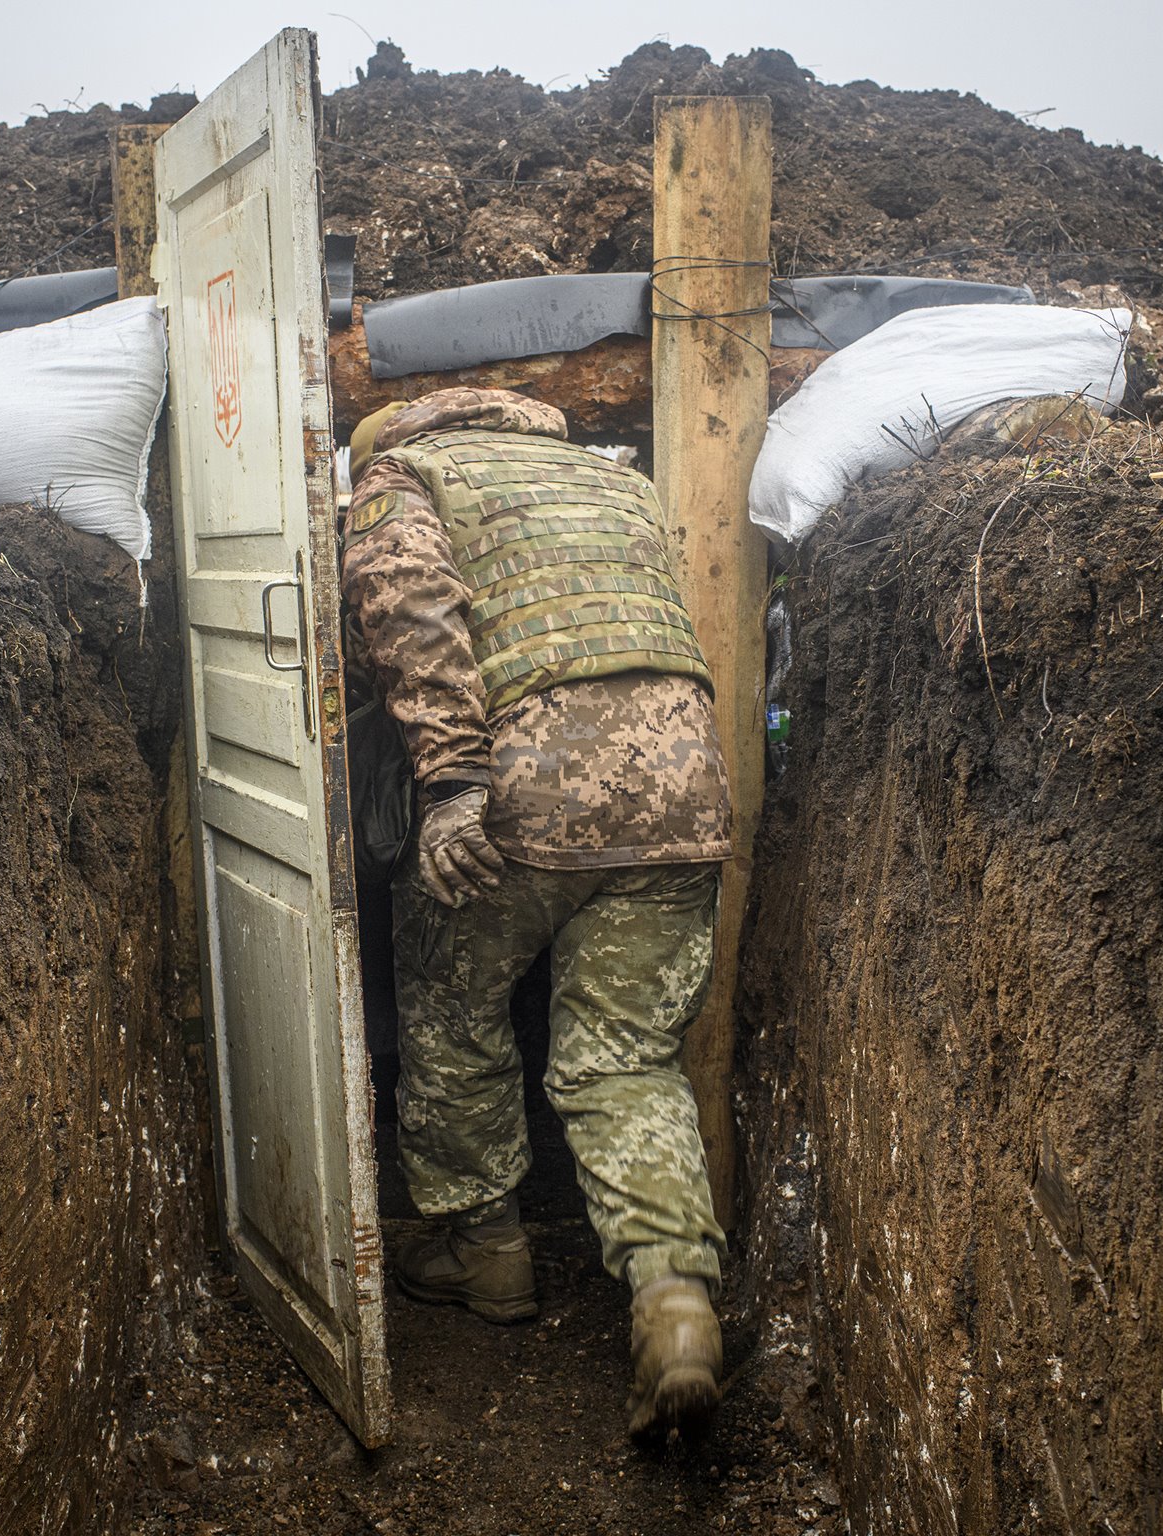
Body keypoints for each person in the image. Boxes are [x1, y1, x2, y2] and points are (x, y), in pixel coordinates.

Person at [340, 386, 734, 1437]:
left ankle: (487, 1253)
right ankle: (675, 1305)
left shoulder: (402, 477)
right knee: (625, 1061)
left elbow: (409, 607)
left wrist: (452, 782)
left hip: (522, 788)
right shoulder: (613, 481)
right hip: (683, 790)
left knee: (452, 1012)